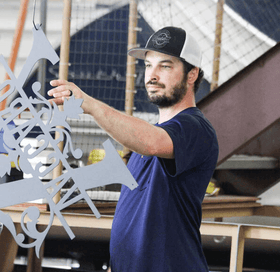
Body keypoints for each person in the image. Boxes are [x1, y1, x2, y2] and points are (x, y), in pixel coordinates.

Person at [48, 26, 219, 272]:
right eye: (149, 65)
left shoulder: (195, 128)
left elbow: (152, 143)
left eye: (166, 66)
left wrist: (91, 105)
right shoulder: (149, 137)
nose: (152, 75)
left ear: (192, 75)